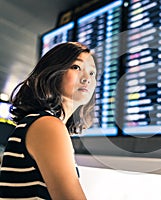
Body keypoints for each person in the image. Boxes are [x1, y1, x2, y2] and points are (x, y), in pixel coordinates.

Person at [0, 42, 97, 199]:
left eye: (92, 73)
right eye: (77, 67)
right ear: (53, 71)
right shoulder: (47, 125)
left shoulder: (39, 123)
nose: (87, 78)